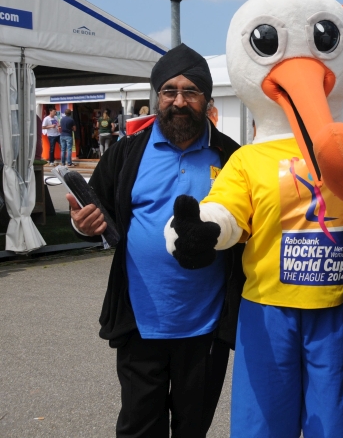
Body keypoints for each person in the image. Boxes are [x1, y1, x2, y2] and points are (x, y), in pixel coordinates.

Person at [68, 44, 244, 437]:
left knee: (191, 428)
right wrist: (85, 225)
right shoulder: (127, 152)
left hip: (204, 327)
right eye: (169, 91)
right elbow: (93, 217)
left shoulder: (231, 156)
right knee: (138, 427)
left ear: (207, 100)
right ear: (156, 97)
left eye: (190, 91)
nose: (179, 101)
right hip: (140, 321)